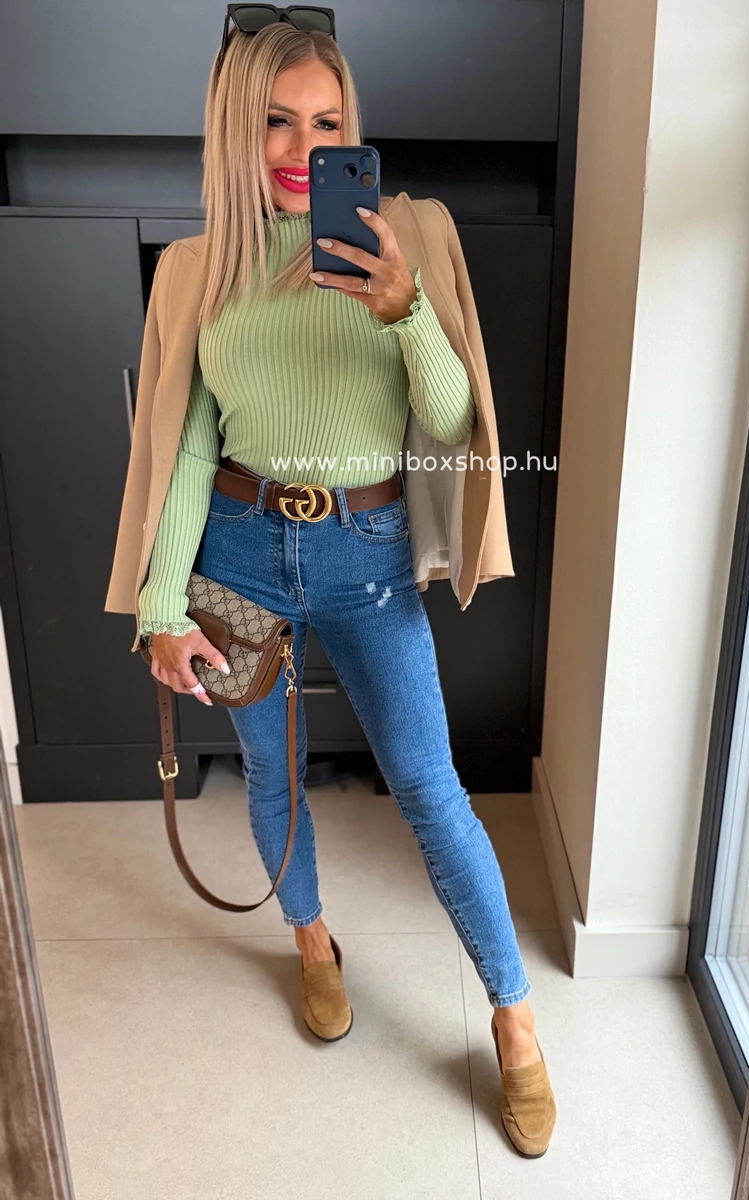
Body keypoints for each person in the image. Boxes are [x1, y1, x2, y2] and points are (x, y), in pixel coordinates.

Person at [122, 11, 555, 1158]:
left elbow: (454, 421)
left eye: (327, 123)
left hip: (366, 559)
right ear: (234, 126)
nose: (301, 146)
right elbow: (188, 454)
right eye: (276, 120)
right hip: (236, 555)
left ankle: (514, 1016)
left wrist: (405, 310)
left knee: (430, 789)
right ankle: (313, 944)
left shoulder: (404, 239)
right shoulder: (198, 271)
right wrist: (162, 608)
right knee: (274, 774)